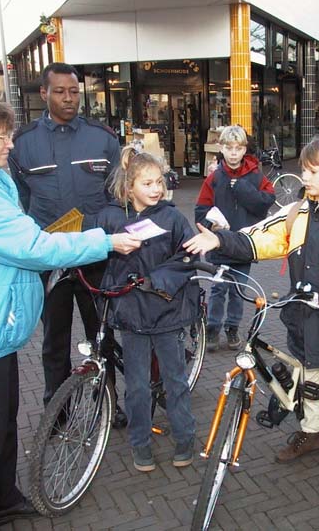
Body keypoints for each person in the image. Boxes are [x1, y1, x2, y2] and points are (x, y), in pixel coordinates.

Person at [0, 93, 138, 531]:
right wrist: (104, 241)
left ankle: (2, 498)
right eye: (2, 137)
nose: (10, 145)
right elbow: (33, 246)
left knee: (0, 421)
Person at [185, 135, 319, 497]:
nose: (304, 178)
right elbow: (259, 237)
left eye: (312, 171)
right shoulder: (296, 212)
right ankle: (311, 435)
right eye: (304, 171)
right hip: (303, 321)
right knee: (309, 385)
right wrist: (221, 241)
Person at [8, 62, 126, 426]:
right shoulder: (23, 144)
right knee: (54, 342)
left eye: (74, 91)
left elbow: (117, 195)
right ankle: (57, 413)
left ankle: (108, 403)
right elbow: (19, 201)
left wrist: (106, 233)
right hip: (50, 258)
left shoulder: (102, 138)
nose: (69, 98)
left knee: (102, 335)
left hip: (94, 256)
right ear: (43, 94)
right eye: (60, 91)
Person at [93, 150, 199, 471]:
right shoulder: (110, 218)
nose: (156, 189)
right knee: (136, 386)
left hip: (166, 312)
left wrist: (157, 280)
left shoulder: (172, 218)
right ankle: (140, 443)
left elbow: (188, 256)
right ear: (129, 187)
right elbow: (97, 257)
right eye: (147, 183)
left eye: (160, 181)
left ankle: (185, 436)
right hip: (132, 317)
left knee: (175, 380)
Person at [194, 125, 275, 351]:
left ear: (244, 149)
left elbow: (266, 200)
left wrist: (240, 187)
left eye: (238, 148)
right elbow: (200, 211)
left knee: (238, 289)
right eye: (228, 148)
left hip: (243, 243)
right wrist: (211, 224)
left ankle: (232, 328)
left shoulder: (255, 175)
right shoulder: (214, 178)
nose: (233, 153)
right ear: (221, 148)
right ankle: (212, 329)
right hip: (218, 243)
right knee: (218, 289)